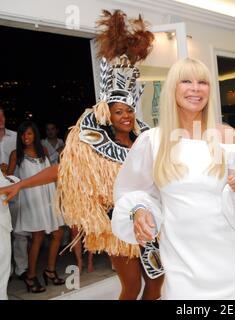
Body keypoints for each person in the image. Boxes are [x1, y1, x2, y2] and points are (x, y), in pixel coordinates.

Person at [0, 10, 162, 300]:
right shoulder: (90, 144)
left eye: (129, 110)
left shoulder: (146, 138)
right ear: (107, 113)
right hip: (118, 225)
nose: (126, 116)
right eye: (119, 111)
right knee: (132, 286)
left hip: (152, 221)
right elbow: (63, 171)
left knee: (156, 284)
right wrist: (20, 184)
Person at [111, 57, 235, 299]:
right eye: (186, 81)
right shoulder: (153, 141)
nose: (195, 88)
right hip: (180, 261)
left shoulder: (226, 136)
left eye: (202, 82)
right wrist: (140, 210)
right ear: (173, 88)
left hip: (228, 260)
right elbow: (132, 193)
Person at [6, 121, 65, 293]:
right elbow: (9, 178)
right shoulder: (16, 154)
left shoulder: (43, 151)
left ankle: (50, 270)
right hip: (32, 198)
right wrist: (5, 173)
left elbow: (52, 173)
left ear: (35, 135)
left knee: (58, 233)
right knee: (37, 237)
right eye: (23, 134)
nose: (26, 137)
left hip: (48, 195)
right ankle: (31, 276)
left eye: (29, 134)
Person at [0, 106, 28, 280]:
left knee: (19, 232)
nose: (1, 119)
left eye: (2, 115)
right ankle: (5, 271)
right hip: (0, 190)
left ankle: (21, 268)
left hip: (16, 186)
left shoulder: (16, 137)